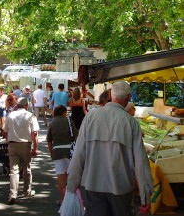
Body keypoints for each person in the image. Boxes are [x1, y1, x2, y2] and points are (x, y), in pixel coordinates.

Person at [66, 81, 154, 216]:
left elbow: (79, 153)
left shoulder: (91, 117)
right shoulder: (130, 122)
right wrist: (145, 196)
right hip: (121, 188)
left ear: (111, 95)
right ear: (129, 97)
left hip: (92, 185)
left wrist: (72, 184)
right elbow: (141, 163)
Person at [3, 97, 39, 205]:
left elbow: (5, 132)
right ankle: (27, 191)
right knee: (27, 169)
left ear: (17, 105)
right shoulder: (30, 116)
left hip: (13, 145)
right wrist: (35, 148)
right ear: (26, 106)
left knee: (14, 171)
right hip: (26, 145)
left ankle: (13, 194)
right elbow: (35, 133)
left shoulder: (10, 115)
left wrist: (9, 139)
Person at [46, 105, 78, 205]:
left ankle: (62, 198)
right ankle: (71, 199)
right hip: (70, 150)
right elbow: (76, 136)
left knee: (60, 175)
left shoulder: (52, 123)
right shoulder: (68, 120)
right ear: (63, 112)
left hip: (57, 151)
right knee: (71, 174)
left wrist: (51, 152)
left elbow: (49, 140)